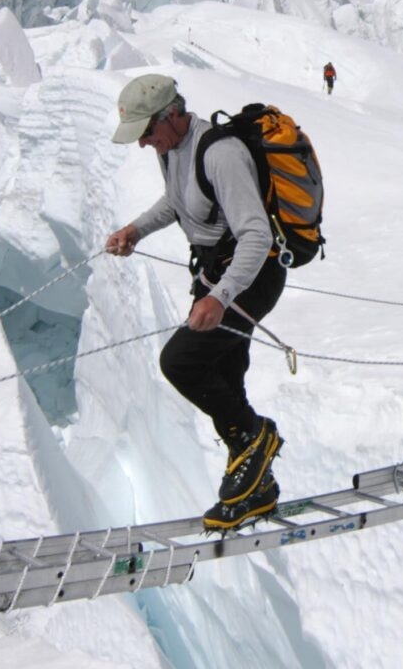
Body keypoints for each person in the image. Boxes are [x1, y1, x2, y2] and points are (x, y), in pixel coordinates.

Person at [105, 73, 286, 531]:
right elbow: (178, 201)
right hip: (217, 275)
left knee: (181, 361)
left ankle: (255, 438)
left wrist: (221, 297)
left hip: (250, 276)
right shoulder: (174, 150)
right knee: (225, 377)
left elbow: (256, 234)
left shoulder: (220, 153)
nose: (145, 144)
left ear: (171, 114)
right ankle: (256, 489)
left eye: (147, 132)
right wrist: (135, 230)